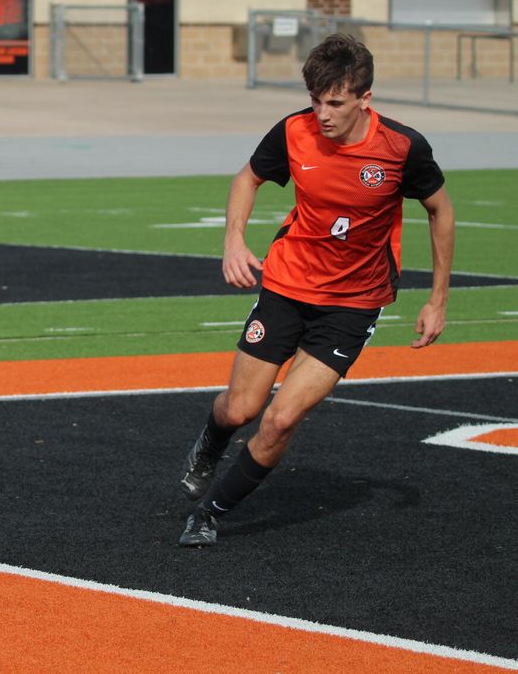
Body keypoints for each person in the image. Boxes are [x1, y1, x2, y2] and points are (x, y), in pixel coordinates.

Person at [177, 33, 455, 547]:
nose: (322, 114)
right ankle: (210, 445)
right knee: (239, 410)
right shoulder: (293, 131)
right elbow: (247, 179)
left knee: (281, 419)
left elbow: (441, 210)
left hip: (353, 305)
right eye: (315, 100)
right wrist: (234, 241)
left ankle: (209, 513)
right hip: (286, 285)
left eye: (335, 103)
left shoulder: (402, 147)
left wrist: (437, 299)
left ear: (365, 99)